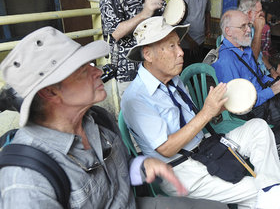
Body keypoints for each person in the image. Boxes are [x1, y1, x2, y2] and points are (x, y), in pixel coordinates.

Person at [0, 27, 226, 209]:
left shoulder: (98, 120)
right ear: (50, 92)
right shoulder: (25, 181)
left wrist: (143, 164)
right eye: (83, 70)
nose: (98, 71)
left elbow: (119, 168)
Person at [121, 16, 280, 209]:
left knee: (259, 127)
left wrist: (215, 109)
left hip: (205, 147)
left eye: (178, 45)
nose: (181, 52)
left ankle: (273, 191)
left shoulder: (173, 79)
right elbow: (166, 148)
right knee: (255, 190)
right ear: (148, 54)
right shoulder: (136, 98)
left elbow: (194, 121)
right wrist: (206, 112)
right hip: (180, 168)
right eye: (171, 47)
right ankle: (271, 194)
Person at [213, 10, 280, 177]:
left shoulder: (244, 49)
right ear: (228, 31)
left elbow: (257, 76)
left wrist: (276, 82)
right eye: (242, 26)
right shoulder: (226, 60)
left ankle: (277, 141)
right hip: (253, 111)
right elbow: (240, 104)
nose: (248, 30)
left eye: (248, 25)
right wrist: (272, 91)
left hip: (262, 98)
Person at [100, 0, 165, 93]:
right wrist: (144, 14)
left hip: (154, 65)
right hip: (129, 72)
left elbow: (162, 12)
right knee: (135, 115)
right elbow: (114, 33)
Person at [238, 0, 280, 79]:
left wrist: (271, 69)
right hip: (251, 73)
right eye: (259, 11)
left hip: (261, 66)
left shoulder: (251, 26)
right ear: (249, 13)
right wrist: (259, 29)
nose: (262, 14)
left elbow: (260, 54)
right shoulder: (239, 30)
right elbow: (252, 60)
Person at [173, 0, 211, 67]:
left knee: (197, 69)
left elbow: (207, 12)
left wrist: (207, 29)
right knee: (186, 71)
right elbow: (176, 22)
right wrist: (190, 41)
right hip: (186, 43)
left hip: (201, 40)